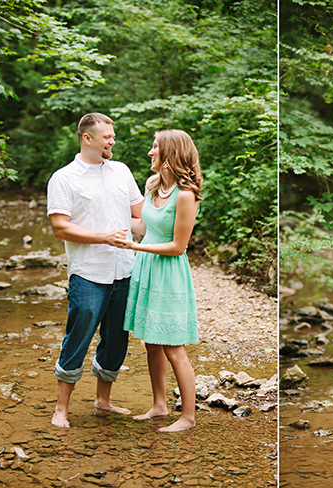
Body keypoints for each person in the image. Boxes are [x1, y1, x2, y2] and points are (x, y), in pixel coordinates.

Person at [47, 112, 145, 428]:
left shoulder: (121, 171)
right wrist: (103, 236)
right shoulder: (64, 178)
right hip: (88, 272)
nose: (112, 141)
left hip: (125, 269)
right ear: (87, 138)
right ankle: (61, 409)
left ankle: (103, 401)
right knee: (79, 334)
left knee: (117, 337)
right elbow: (60, 227)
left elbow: (140, 218)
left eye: (112, 136)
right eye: (106, 137)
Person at [116, 129, 202, 433]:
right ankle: (159, 405)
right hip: (147, 268)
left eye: (156, 148)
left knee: (173, 347)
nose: (150, 153)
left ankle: (188, 417)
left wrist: (134, 247)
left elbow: (178, 246)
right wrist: (105, 218)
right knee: (151, 343)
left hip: (168, 272)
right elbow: (142, 224)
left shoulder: (186, 196)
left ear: (171, 155)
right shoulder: (153, 185)